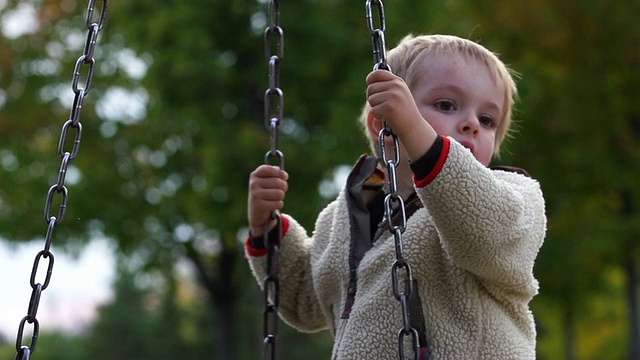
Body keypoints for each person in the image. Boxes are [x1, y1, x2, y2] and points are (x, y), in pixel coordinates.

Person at [245, 34, 547, 359]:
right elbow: (308, 298)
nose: (473, 124)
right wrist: (266, 231)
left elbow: (488, 236)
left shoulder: (514, 198)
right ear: (382, 123)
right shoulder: (346, 217)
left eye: (488, 120)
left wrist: (420, 134)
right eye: (446, 105)